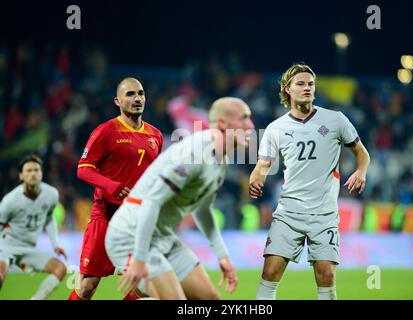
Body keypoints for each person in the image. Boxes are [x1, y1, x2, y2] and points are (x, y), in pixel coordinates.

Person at [105, 97, 254, 299]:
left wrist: (222, 255)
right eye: (244, 119)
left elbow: (202, 209)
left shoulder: (220, 161)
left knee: (211, 299)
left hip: (163, 238)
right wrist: (139, 257)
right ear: (222, 124)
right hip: (131, 235)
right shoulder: (193, 154)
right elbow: (151, 202)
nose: (250, 126)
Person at [249, 63, 370, 300]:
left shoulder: (335, 119)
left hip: (324, 214)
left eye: (311, 84)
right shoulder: (276, 128)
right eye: (301, 84)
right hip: (288, 212)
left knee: (326, 274)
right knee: (270, 271)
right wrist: (255, 180)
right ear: (287, 89)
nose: (307, 88)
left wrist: (361, 171)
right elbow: (263, 165)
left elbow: (361, 152)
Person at [68, 77, 163, 300]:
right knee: (87, 286)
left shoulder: (155, 135)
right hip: (107, 216)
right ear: (117, 101)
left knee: (143, 287)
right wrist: (112, 186)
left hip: (136, 220)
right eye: (130, 94)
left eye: (140, 93)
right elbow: (83, 169)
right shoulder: (105, 132)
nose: (137, 98)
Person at [0, 154, 67, 299]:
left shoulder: (51, 194)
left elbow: (49, 218)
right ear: (21, 176)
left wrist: (55, 244)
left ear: (42, 173)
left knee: (60, 268)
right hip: (6, 246)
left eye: (36, 170)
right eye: (28, 171)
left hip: (29, 249)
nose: (33, 174)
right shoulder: (10, 201)